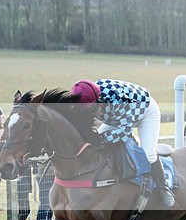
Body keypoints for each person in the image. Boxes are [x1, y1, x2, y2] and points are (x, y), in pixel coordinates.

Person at [70, 79, 175, 207]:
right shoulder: (84, 102)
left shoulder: (117, 99)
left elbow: (124, 132)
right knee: (94, 143)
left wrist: (102, 138)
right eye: (89, 111)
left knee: (149, 153)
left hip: (145, 112)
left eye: (94, 109)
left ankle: (164, 189)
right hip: (117, 118)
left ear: (100, 99)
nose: (94, 114)